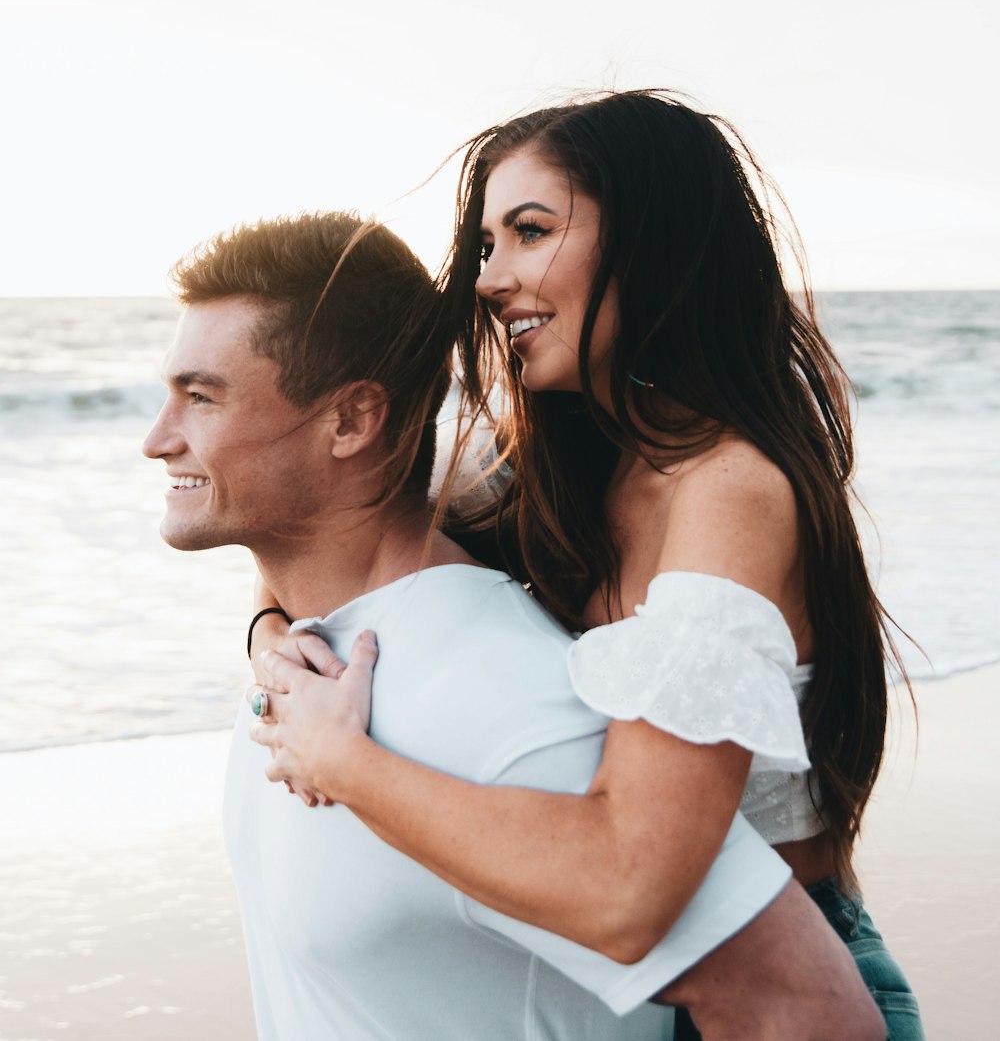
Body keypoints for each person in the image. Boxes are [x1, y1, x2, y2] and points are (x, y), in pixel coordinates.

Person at [249, 93, 923, 1039]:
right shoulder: (561, 466)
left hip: (776, 1002)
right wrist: (272, 640)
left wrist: (344, 763)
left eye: (531, 231)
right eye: (486, 246)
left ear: (652, 243)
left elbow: (630, 890)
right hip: (647, 1003)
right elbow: (325, 530)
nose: (490, 279)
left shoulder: (731, 491)